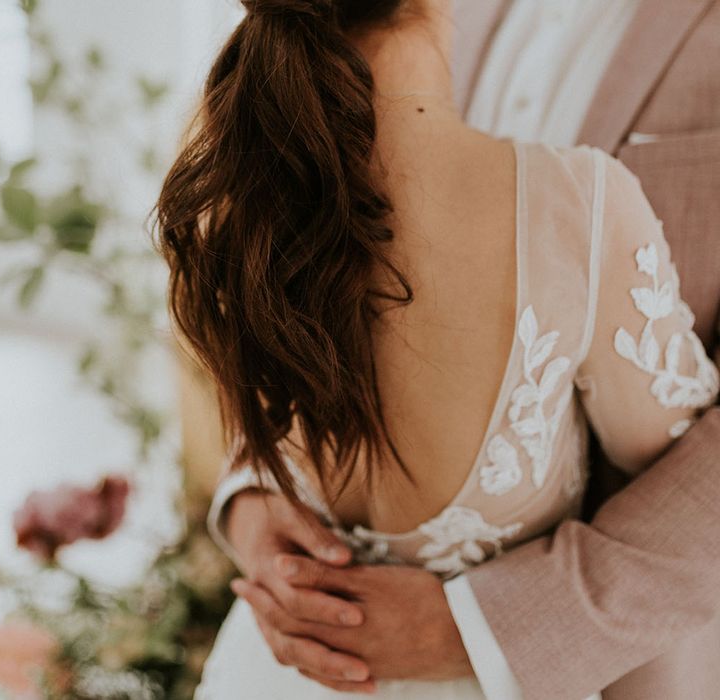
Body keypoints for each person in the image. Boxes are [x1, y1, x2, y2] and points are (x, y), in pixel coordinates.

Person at [155, 1, 720, 698]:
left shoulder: (224, 153)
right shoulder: (584, 195)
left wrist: (497, 628)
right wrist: (259, 491)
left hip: (574, 660)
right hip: (296, 647)